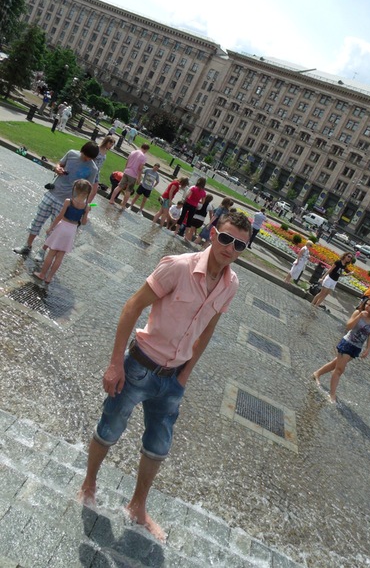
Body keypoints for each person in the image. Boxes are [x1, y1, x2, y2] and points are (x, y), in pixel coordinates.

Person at [78, 212, 252, 541]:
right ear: (213, 234)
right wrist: (115, 363)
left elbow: (208, 329)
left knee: (158, 446)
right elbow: (132, 306)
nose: (230, 248)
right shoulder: (179, 266)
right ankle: (89, 484)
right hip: (140, 365)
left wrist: (185, 376)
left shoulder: (231, 284)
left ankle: (137, 506)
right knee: (109, 429)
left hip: (173, 379)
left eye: (239, 245)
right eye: (226, 238)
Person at [13, 141, 99, 259]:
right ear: (82, 151)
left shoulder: (93, 169)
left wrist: (83, 205)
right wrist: (58, 168)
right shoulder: (71, 154)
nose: (87, 159)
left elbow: (88, 188)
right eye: (86, 156)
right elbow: (59, 164)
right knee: (37, 220)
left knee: (55, 228)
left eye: (90, 158)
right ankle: (27, 246)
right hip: (53, 192)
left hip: (67, 201)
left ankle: (42, 251)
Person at [312, 299, 370, 403]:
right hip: (347, 343)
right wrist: (359, 316)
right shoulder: (358, 313)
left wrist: (368, 348)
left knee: (335, 364)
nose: (367, 306)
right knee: (339, 369)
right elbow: (348, 326)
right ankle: (332, 395)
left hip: (356, 347)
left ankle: (317, 373)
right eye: (367, 304)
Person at [33, 180, 92, 284]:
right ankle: (49, 278)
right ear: (88, 192)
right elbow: (83, 222)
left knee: (51, 253)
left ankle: (42, 274)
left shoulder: (68, 201)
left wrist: (51, 228)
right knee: (60, 256)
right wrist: (87, 212)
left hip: (62, 227)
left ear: (75, 189)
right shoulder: (86, 206)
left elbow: (60, 216)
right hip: (72, 230)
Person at [109, 143, 150, 210]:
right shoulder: (144, 157)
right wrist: (139, 178)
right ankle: (123, 205)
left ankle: (111, 199)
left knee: (119, 186)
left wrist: (125, 169)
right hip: (133, 175)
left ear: (141, 146)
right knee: (128, 190)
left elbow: (127, 162)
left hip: (126, 171)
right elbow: (140, 168)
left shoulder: (133, 152)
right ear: (146, 149)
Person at [90, 135, 115, 202]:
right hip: (91, 171)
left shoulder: (105, 151)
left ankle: (88, 204)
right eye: (111, 144)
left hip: (97, 173)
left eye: (112, 145)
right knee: (86, 189)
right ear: (107, 142)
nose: (111, 146)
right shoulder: (97, 148)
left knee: (94, 191)